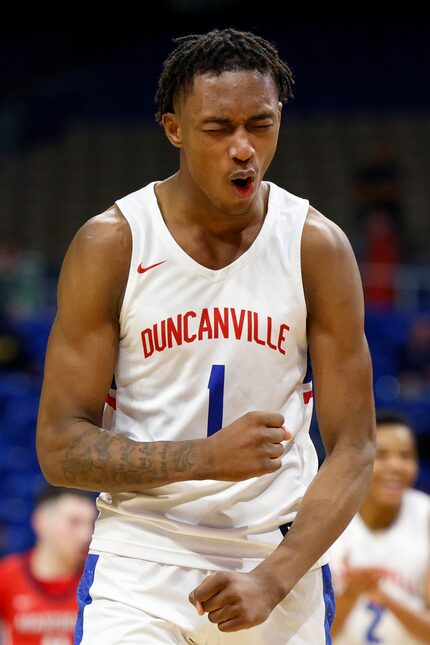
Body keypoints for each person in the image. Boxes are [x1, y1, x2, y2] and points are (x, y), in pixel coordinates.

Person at [36, 28, 376, 644]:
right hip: (141, 559)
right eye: (219, 128)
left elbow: (355, 446)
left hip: (275, 561)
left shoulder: (315, 246)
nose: (243, 149)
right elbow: (60, 448)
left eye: (261, 125)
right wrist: (203, 458)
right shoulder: (111, 244)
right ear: (174, 129)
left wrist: (272, 580)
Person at [329, 410, 430, 644]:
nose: (396, 466)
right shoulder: (330, 519)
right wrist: (352, 594)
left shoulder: (425, 516)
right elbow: (311, 635)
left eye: (406, 456)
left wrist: (386, 599)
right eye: (382, 455)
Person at [0, 485, 96, 645]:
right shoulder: (7, 576)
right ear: (41, 521)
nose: (86, 535)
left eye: (91, 524)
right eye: (74, 522)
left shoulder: (99, 578)